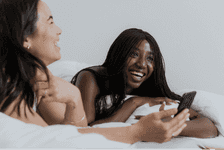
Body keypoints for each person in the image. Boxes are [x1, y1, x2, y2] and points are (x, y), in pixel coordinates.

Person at [0, 0, 191, 144]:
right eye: (50, 22)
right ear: (25, 38)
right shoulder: (7, 88)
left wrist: (74, 99)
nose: (59, 30)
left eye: (150, 58)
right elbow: (57, 141)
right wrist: (136, 131)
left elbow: (75, 136)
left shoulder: (39, 82)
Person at [69, 28, 218, 138]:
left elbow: (210, 129)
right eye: (133, 54)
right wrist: (134, 103)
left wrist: (169, 127)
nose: (142, 64)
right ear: (119, 55)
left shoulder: (151, 90)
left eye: (150, 59)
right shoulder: (91, 78)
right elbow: (85, 130)